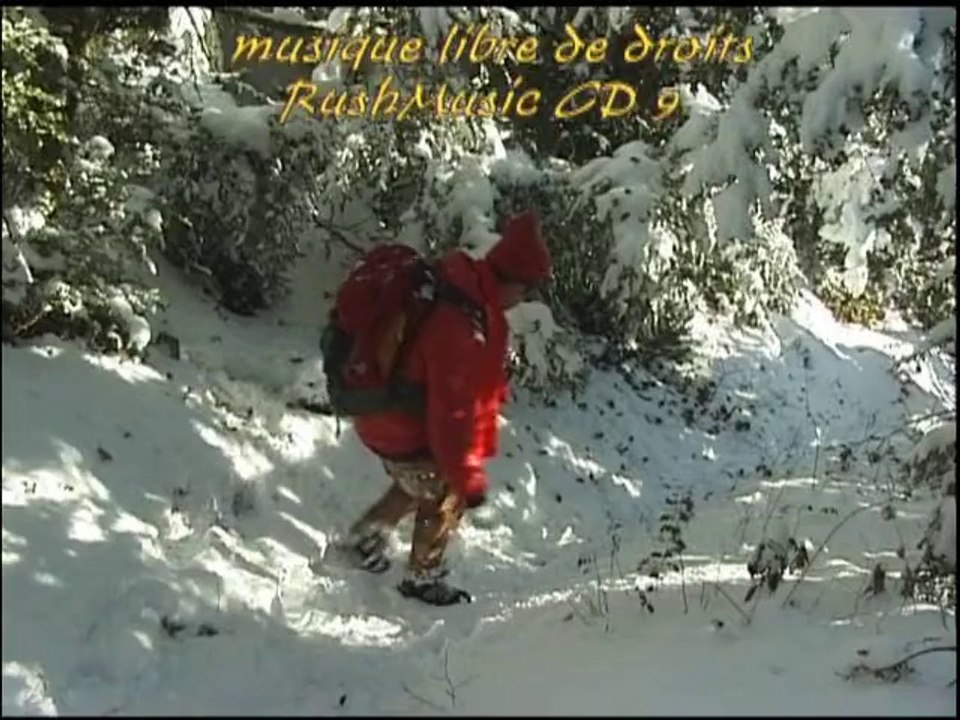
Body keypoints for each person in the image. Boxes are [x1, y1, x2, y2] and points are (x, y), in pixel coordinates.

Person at [343, 210, 552, 606]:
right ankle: (423, 576)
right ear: (511, 281)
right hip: (395, 417)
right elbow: (450, 413)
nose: (524, 300)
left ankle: (364, 541)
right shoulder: (462, 323)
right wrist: (467, 476)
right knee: (446, 488)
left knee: (421, 477)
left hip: (383, 410)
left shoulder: (467, 288)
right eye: (526, 291)